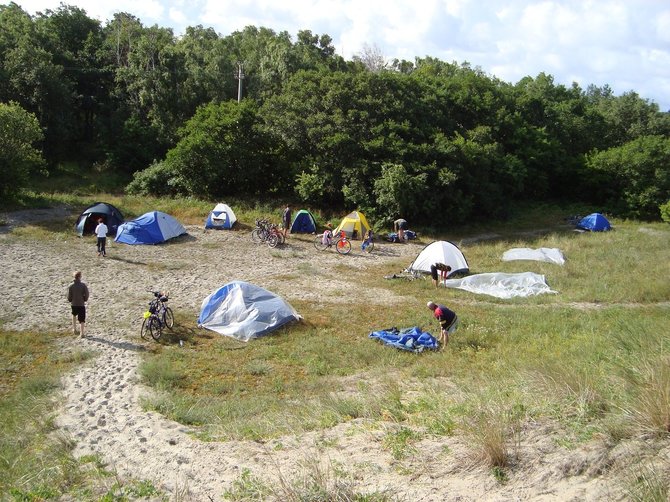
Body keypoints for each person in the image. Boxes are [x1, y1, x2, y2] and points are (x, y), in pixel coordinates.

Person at [68, 271, 89, 338]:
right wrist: (85, 299)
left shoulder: (71, 286)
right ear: (79, 277)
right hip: (81, 304)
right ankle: (82, 333)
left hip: (74, 304)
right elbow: (87, 294)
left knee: (74, 315)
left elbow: (69, 295)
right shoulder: (83, 285)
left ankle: (74, 329)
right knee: (82, 319)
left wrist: (70, 300)